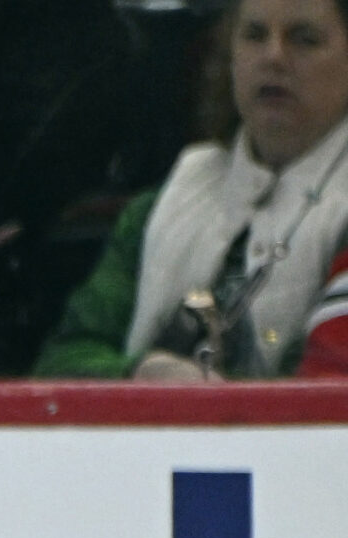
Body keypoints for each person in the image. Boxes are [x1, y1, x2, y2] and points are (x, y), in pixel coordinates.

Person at [35, 0, 348, 380]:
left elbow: (322, 395)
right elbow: (61, 363)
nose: (273, 57)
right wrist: (141, 372)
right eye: (254, 35)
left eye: (304, 39)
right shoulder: (161, 204)